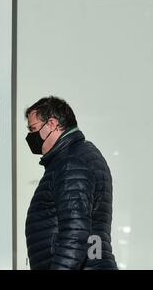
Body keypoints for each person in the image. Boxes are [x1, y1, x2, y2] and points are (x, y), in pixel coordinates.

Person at [24, 96, 118, 270]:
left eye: (33, 129)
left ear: (52, 124)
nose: (30, 137)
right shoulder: (80, 156)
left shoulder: (71, 163)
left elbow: (75, 234)